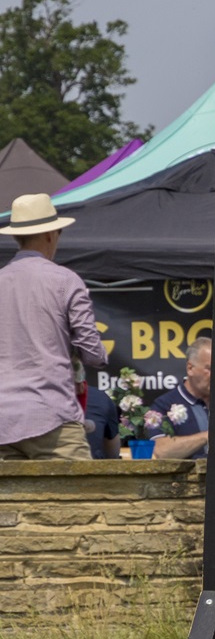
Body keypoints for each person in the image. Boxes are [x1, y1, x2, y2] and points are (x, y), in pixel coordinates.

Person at [0, 194, 105, 461]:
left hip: (2, 421)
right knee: (79, 499)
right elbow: (93, 353)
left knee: (11, 504)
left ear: (17, 237)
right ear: (50, 234)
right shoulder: (65, 281)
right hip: (51, 416)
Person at [144, 336, 213, 459]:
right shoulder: (164, 405)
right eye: (209, 368)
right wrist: (206, 437)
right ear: (190, 368)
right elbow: (160, 450)